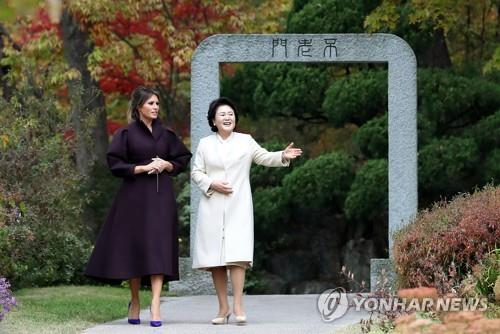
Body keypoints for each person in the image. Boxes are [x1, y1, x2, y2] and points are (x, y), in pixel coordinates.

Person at [85, 86, 192, 327]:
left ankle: (155, 304)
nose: (155, 107)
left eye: (157, 103)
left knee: (159, 249)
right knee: (135, 249)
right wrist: (141, 168)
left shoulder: (166, 135)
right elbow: (114, 163)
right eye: (151, 103)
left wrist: (167, 165)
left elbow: (183, 158)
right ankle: (134, 300)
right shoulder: (125, 133)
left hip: (161, 198)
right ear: (138, 107)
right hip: (133, 199)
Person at [191, 97, 302, 325]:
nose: (227, 117)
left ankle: (238, 305)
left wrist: (281, 155)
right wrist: (212, 183)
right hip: (212, 206)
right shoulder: (205, 144)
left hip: (238, 205)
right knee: (216, 259)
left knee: (237, 257)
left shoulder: (245, 141)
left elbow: (264, 157)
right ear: (214, 120)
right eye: (222, 114)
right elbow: (196, 172)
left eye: (231, 114)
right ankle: (223, 308)